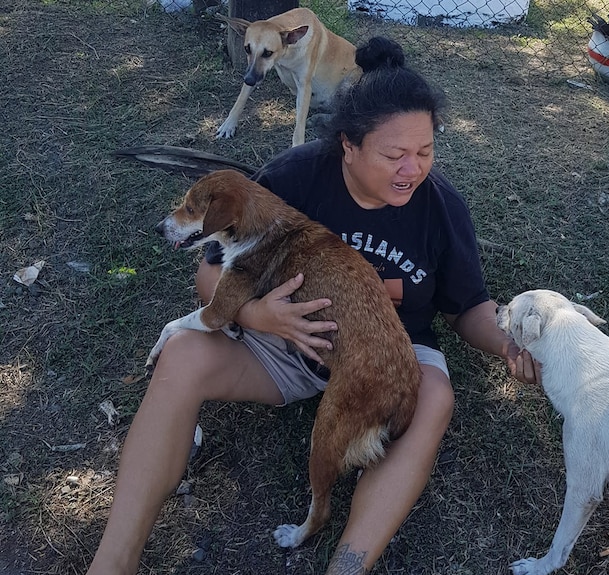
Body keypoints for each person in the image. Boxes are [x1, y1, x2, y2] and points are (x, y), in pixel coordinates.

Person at [86, 36, 539, 575]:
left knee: (436, 395)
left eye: (424, 152)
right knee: (181, 354)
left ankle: (347, 565)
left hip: (391, 355)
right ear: (348, 145)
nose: (412, 170)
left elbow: (469, 309)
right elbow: (210, 272)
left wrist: (509, 343)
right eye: (394, 155)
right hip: (286, 344)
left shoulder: (441, 209)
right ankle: (113, 562)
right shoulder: (294, 177)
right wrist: (258, 316)